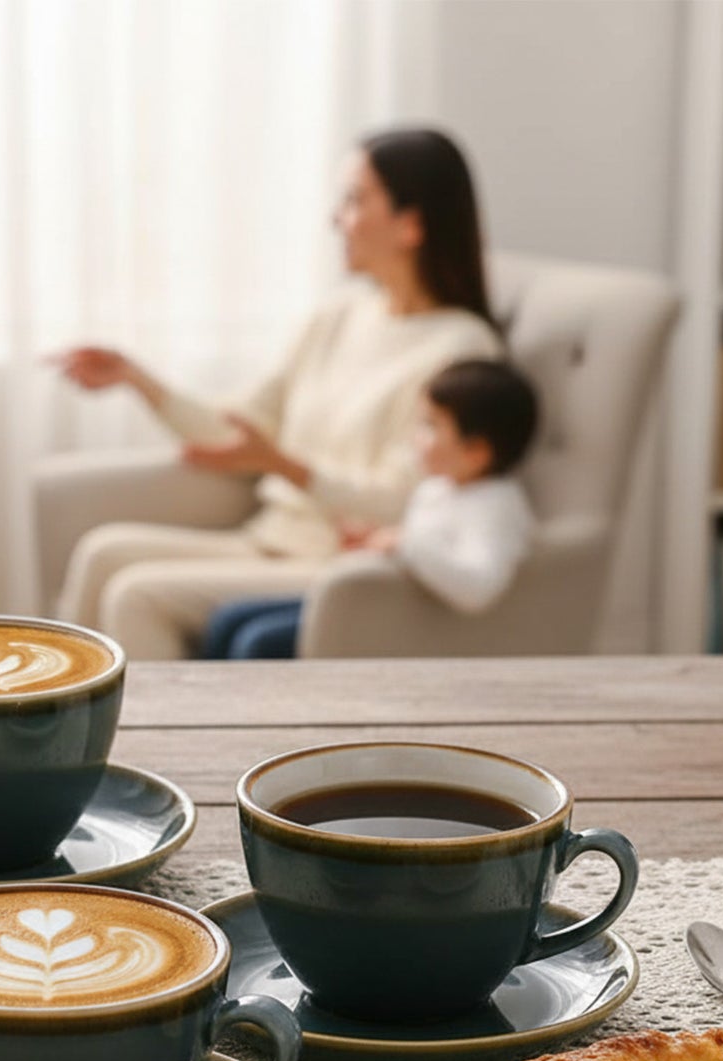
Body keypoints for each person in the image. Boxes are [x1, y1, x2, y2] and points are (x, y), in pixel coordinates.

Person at [52, 126, 503, 661]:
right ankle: (53, 713)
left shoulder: (462, 349)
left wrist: (285, 466)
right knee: (101, 552)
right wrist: (138, 380)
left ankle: (147, 722)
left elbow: (406, 502)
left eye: (355, 200)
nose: (336, 219)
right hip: (271, 538)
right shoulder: (339, 314)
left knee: (138, 594)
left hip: (344, 562)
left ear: (412, 224)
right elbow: (240, 429)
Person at [201, 359, 540, 659]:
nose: (416, 437)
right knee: (228, 617)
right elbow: (421, 549)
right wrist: (375, 541)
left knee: (257, 641)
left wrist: (403, 543)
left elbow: (478, 590)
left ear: (476, 452)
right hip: (375, 600)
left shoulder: (496, 506)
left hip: (402, 620)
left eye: (431, 426)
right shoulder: (437, 489)